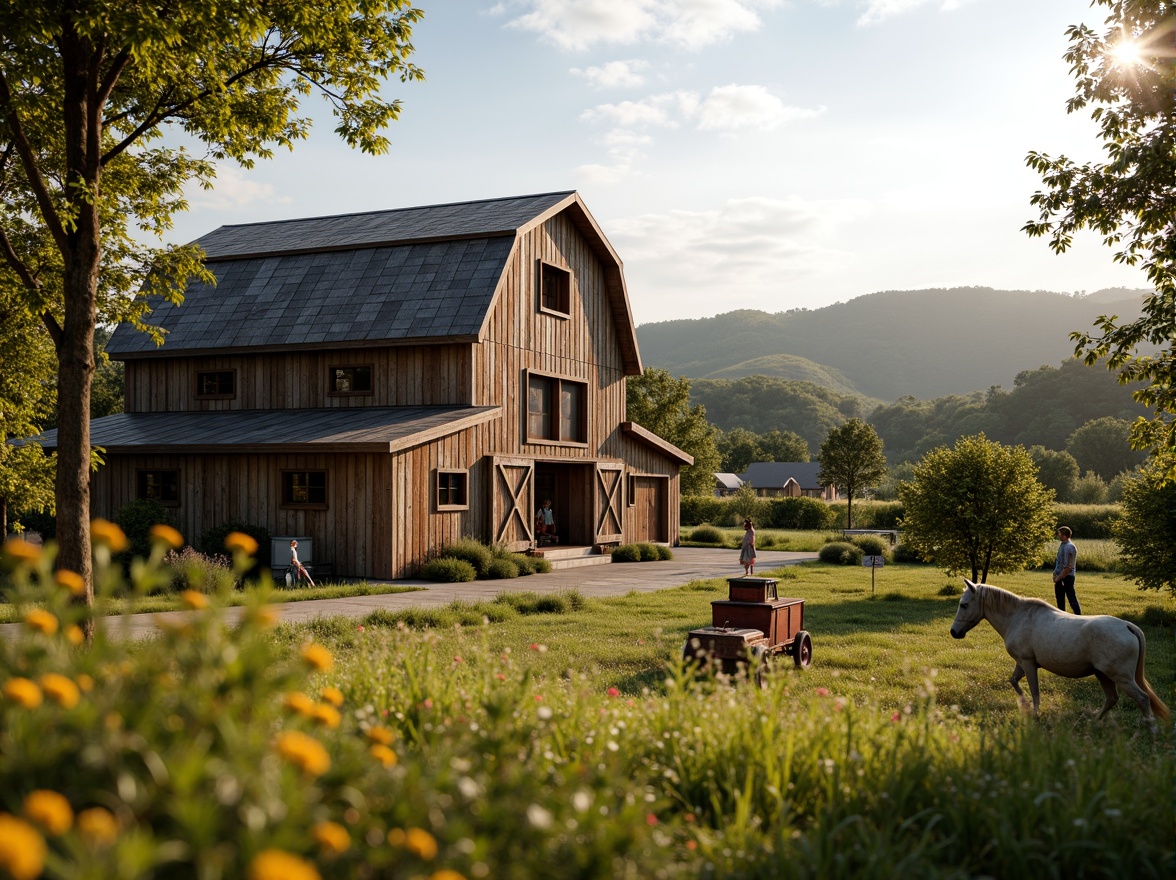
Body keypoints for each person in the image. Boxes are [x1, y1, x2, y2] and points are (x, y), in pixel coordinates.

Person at [1052, 525, 1080, 614]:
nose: (1058, 536)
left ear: (1064, 535)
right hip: (1060, 576)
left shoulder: (1069, 547)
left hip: (1066, 577)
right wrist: (1055, 573)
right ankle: (1062, 619)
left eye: (1059, 534)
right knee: (1060, 600)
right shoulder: (1063, 545)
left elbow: (1068, 567)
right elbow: (1059, 562)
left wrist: (1058, 578)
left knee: (1071, 599)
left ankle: (1079, 616)